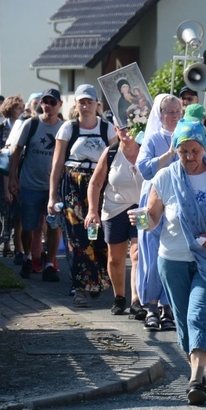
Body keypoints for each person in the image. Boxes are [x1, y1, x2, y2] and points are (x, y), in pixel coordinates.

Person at [135, 120, 206, 405]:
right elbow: (152, 216)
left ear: (204, 147)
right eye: (182, 151)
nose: (189, 157)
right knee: (184, 322)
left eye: (194, 150)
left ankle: (195, 379)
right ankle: (198, 368)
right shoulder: (164, 177)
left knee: (199, 315)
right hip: (172, 260)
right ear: (175, 150)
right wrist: (138, 219)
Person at [48, 84, 116, 304]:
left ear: (97, 104)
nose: (85, 106)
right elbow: (57, 164)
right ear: (75, 104)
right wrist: (52, 196)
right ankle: (81, 288)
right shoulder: (68, 128)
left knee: (101, 236)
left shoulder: (107, 129)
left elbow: (117, 160)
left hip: (101, 185)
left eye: (89, 101)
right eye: (81, 102)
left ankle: (97, 279)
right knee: (77, 237)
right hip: (73, 187)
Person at [85, 115, 143, 316]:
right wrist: (93, 210)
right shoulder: (110, 153)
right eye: (122, 128)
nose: (127, 133)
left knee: (137, 254)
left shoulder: (146, 149)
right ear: (116, 130)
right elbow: (95, 183)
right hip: (114, 209)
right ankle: (120, 298)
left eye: (130, 128)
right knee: (116, 258)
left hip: (141, 208)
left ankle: (137, 300)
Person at [136, 94, 182, 329]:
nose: (174, 116)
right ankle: (150, 307)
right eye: (169, 112)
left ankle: (168, 308)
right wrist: (169, 153)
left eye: (177, 112)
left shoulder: (186, 135)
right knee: (150, 252)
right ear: (160, 114)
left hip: (175, 201)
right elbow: (143, 169)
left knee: (171, 253)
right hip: (150, 200)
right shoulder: (153, 138)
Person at [8, 89, 64, 280]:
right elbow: (16, 151)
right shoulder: (31, 124)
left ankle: (49, 264)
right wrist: (13, 177)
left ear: (60, 104)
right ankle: (28, 257)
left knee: (54, 226)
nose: (48, 105)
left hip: (53, 189)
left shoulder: (64, 128)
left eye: (52, 102)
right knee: (29, 227)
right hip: (30, 185)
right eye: (45, 101)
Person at [0, 95, 25, 258]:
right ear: (10, 109)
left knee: (18, 214)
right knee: (4, 212)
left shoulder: (25, 126)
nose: (22, 110)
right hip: (2, 176)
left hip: (21, 175)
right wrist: (7, 151)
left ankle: (19, 247)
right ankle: (6, 245)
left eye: (23, 107)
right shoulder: (1, 128)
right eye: (18, 108)